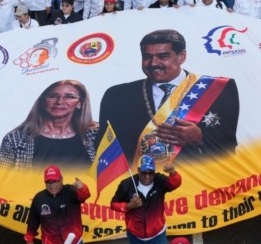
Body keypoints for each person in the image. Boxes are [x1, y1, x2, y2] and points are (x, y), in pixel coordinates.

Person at [97, 30, 239, 163]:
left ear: (182, 56)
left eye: (163, 56)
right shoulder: (116, 95)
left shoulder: (218, 89)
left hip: (195, 177)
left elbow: (228, 149)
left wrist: (201, 138)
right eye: (147, 57)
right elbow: (104, 150)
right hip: (137, 179)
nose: (153, 63)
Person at [110, 156, 182, 244]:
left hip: (157, 234)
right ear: (138, 171)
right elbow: (113, 204)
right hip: (135, 235)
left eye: (151, 173)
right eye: (144, 173)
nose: (147, 176)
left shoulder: (160, 181)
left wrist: (173, 172)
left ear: (154, 172)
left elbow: (175, 183)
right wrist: (129, 206)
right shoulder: (126, 184)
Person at [0, 80, 99, 168]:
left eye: (69, 96)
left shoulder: (95, 135)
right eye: (53, 96)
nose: (59, 102)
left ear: (80, 103)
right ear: (43, 101)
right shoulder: (16, 138)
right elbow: (2, 179)